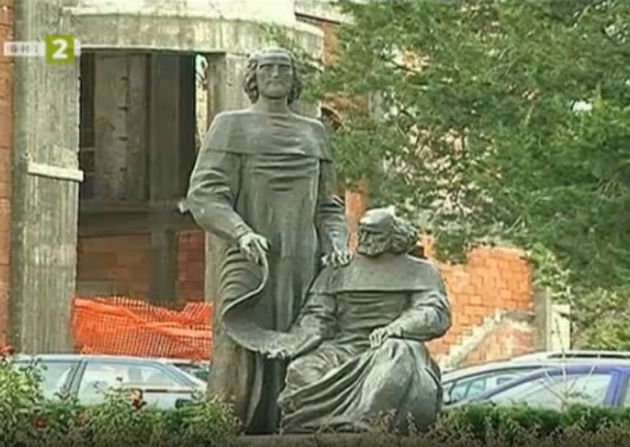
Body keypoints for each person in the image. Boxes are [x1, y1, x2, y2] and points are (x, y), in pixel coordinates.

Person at [184, 47, 351, 434]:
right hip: (250, 257)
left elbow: (329, 206)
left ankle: (295, 426)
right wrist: (240, 232)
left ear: (295, 80)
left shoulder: (314, 133)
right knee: (239, 342)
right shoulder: (230, 126)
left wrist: (337, 243)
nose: (276, 74)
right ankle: (226, 428)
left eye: (284, 68)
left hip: (303, 260)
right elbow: (204, 195)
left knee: (304, 337)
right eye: (267, 68)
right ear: (253, 78)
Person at [269, 207, 452, 434]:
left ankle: (367, 425)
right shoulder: (339, 270)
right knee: (302, 368)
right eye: (362, 232)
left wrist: (397, 328)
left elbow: (434, 310)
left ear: (393, 236)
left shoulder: (420, 271)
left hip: (389, 345)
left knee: (396, 358)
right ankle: (315, 426)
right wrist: (296, 342)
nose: (364, 239)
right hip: (343, 347)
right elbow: (317, 315)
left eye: (373, 233)